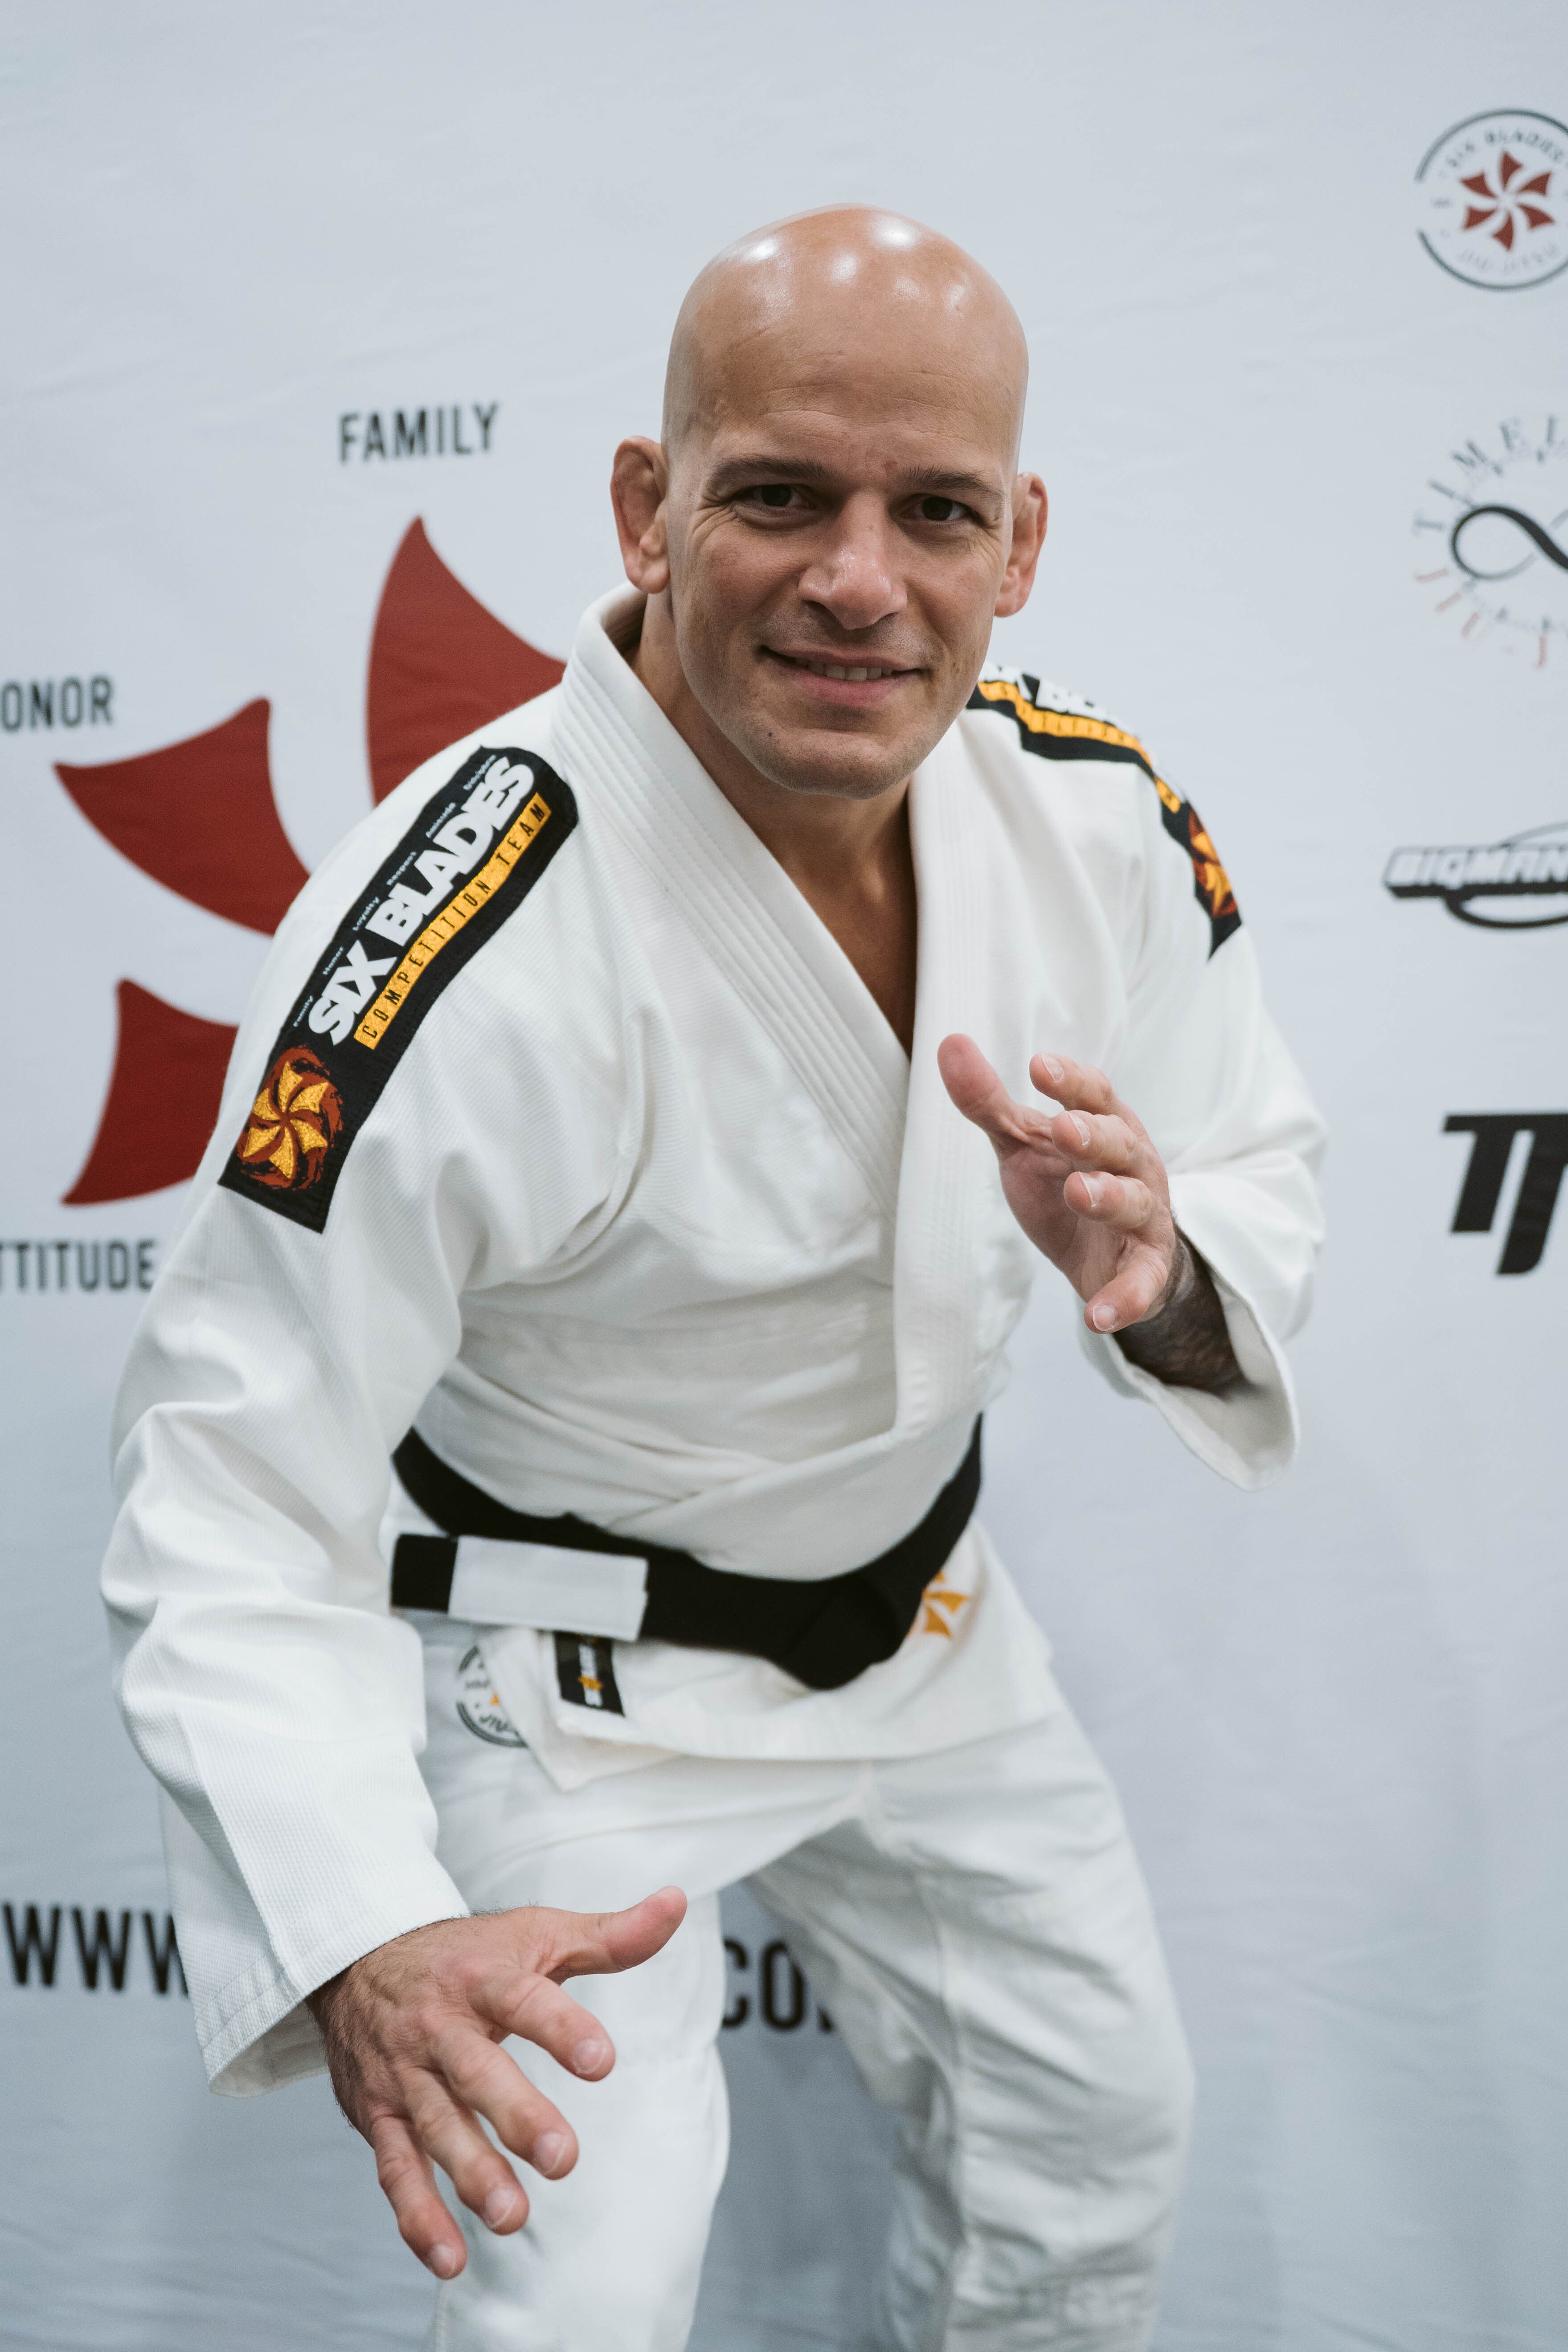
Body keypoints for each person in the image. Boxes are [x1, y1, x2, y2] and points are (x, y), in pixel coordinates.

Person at [103, 206, 1324, 2352]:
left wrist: (1165, 1273)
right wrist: (374, 1933)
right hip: (572, 1695)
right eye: (779, 495)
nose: (862, 577)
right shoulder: (457, 937)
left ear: (1016, 543)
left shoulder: (1095, 823)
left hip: (934, 1629)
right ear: (646, 511)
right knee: (580, 2293)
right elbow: (229, 1479)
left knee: (1095, 2141)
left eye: (932, 511)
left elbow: (1242, 1177)